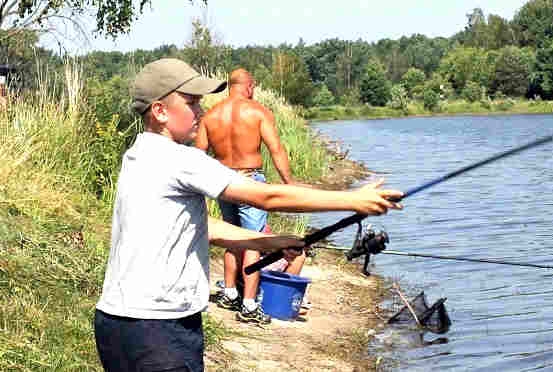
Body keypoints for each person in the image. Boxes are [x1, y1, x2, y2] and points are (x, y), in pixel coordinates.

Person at [94, 58, 403, 372]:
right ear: (159, 111)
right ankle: (249, 302)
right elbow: (267, 196)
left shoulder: (137, 155)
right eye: (190, 103)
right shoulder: (178, 158)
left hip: (116, 324)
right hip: (159, 330)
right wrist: (354, 200)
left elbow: (204, 228)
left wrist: (270, 242)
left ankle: (234, 292)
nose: (200, 112)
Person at [195, 68, 305, 324]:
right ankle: (249, 304)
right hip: (249, 181)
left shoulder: (211, 115)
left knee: (233, 239)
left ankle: (231, 292)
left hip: (223, 182)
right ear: (250, 86)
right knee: (253, 241)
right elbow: (276, 149)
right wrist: (290, 185)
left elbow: (198, 156)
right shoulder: (257, 111)